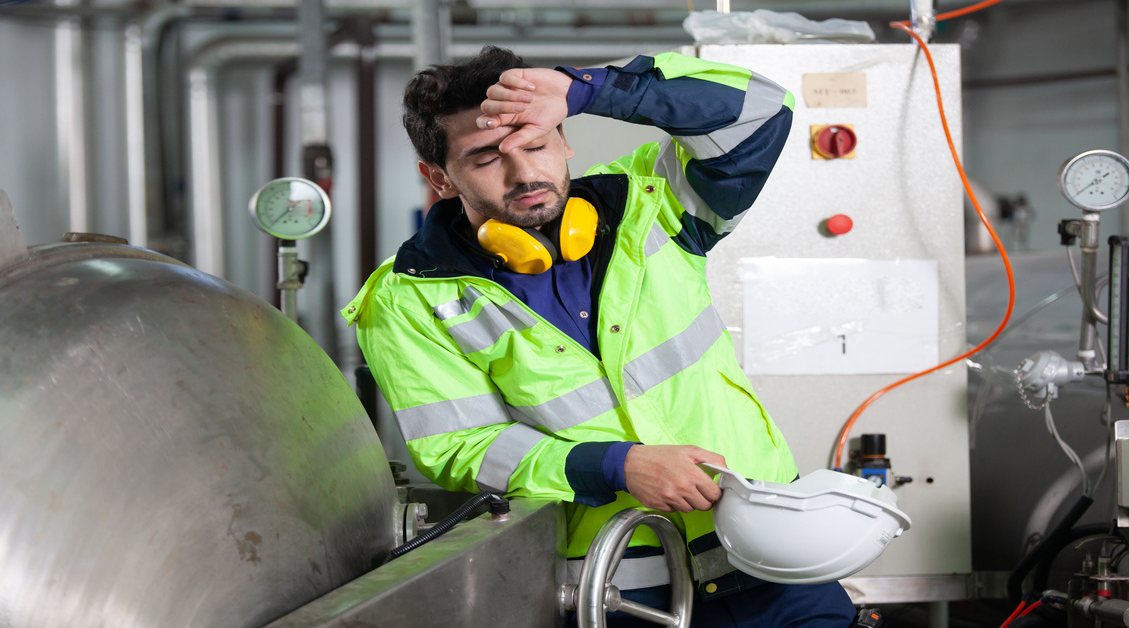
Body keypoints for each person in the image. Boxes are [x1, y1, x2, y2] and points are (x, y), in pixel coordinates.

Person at [343, 46, 856, 626]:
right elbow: (460, 446)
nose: (525, 174)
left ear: (565, 141)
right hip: (620, 585)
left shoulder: (651, 203)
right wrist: (614, 465)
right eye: (486, 157)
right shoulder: (410, 297)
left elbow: (761, 111)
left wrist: (589, 88)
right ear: (438, 176)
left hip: (770, 551)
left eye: (536, 144)